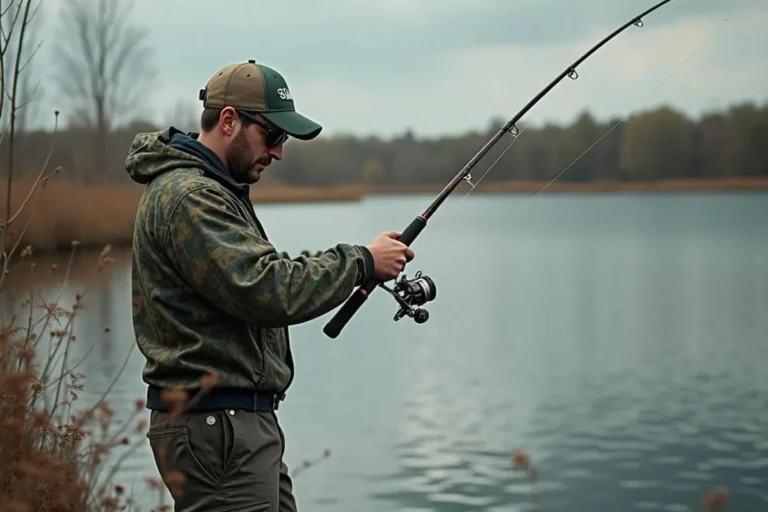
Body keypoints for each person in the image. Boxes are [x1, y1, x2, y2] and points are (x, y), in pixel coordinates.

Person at [124, 59, 415, 512]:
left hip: (232, 423)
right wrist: (362, 261)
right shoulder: (191, 196)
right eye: (273, 136)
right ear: (228, 121)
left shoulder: (209, 190)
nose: (278, 152)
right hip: (218, 425)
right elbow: (264, 287)